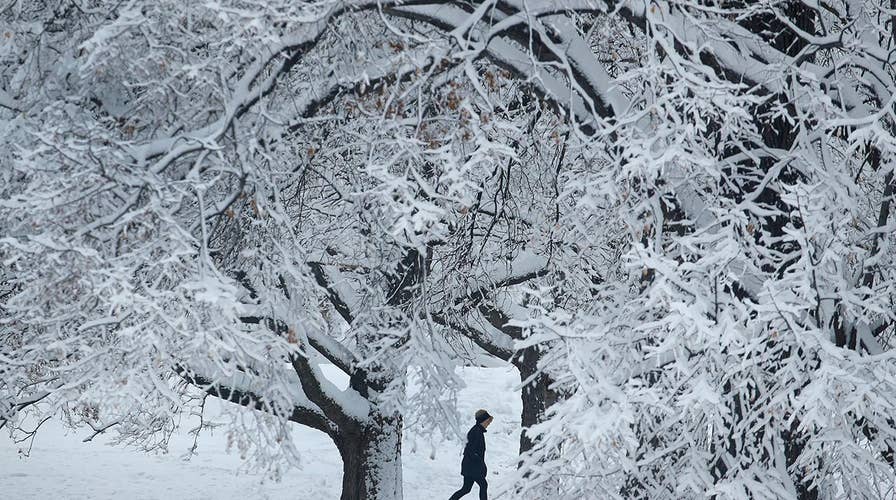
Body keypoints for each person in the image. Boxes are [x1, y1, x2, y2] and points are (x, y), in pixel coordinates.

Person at [449, 409, 493, 500]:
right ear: (482, 420)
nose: (489, 423)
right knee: (483, 485)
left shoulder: (477, 431)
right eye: (487, 421)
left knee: (466, 489)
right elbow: (470, 451)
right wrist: (480, 464)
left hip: (469, 466)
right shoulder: (476, 432)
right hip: (472, 467)